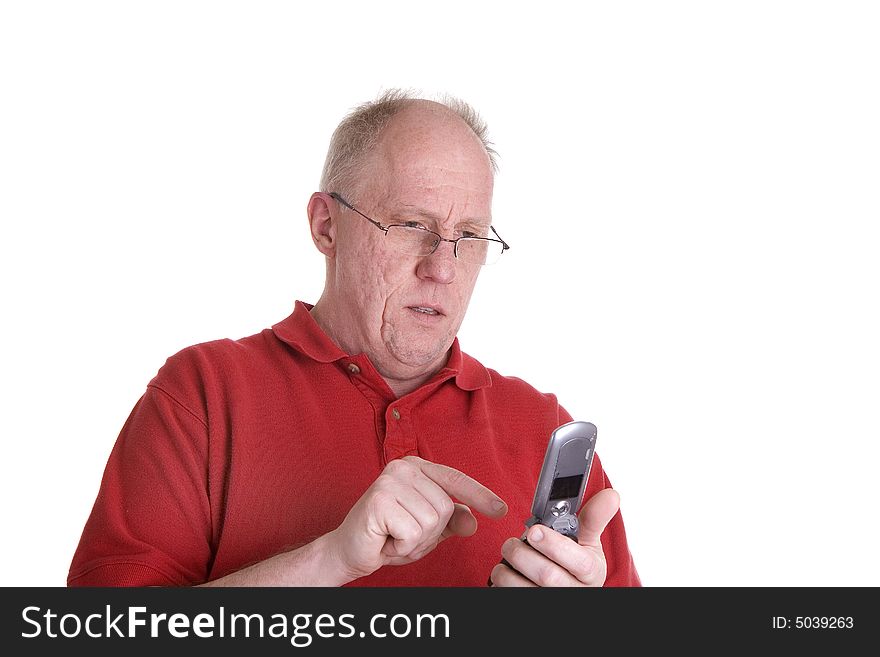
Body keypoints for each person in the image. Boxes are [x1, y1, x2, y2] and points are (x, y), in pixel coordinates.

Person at [68, 90, 641, 587]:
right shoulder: (201, 396)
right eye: (412, 225)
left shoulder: (543, 427)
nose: (443, 266)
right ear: (326, 226)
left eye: (468, 235)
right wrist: (328, 561)